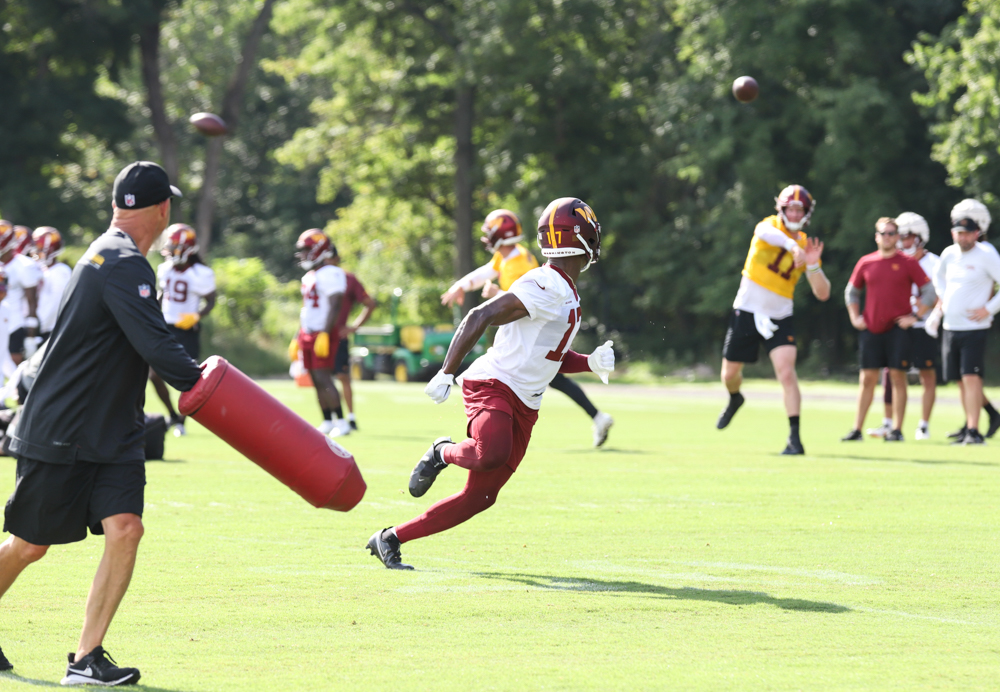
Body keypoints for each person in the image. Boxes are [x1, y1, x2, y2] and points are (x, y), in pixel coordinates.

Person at [0, 161, 202, 684]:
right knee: (29, 545)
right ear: (163, 209)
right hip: (62, 426)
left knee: (126, 529)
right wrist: (207, 383)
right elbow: (157, 345)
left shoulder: (114, 254)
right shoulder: (120, 262)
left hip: (113, 430)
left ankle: (86, 658)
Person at [367, 197, 615, 570]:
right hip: (494, 384)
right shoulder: (546, 283)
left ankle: (389, 538)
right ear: (580, 237)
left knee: (480, 497)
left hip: (526, 401)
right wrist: (447, 371)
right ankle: (441, 452)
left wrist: (590, 363)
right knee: (490, 453)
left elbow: (549, 356)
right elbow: (480, 314)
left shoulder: (565, 289)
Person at [441, 209, 615, 447]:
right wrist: (460, 286)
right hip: (527, 329)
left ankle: (597, 416)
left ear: (500, 232)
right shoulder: (508, 256)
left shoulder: (518, 260)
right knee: (554, 374)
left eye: (489, 231)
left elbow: (527, 304)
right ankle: (597, 417)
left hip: (534, 329)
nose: (485, 237)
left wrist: (497, 294)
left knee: (547, 371)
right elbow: (489, 274)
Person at [716, 185, 831, 455]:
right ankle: (735, 398)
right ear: (780, 208)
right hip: (746, 310)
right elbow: (765, 233)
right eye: (789, 208)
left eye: (798, 209)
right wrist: (793, 245)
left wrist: (813, 265)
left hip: (780, 315)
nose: (793, 213)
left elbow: (823, 293)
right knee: (729, 374)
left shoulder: (806, 245)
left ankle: (794, 438)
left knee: (787, 372)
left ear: (806, 213)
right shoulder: (769, 227)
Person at [843, 217, 936, 442]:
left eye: (892, 233)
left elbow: (930, 291)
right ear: (877, 236)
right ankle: (856, 429)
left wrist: (915, 316)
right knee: (867, 379)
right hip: (872, 327)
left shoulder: (907, 262)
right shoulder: (866, 262)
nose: (888, 237)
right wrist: (855, 317)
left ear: (897, 237)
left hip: (897, 329)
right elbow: (851, 292)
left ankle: (897, 429)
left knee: (897, 377)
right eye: (883, 233)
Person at [865, 213, 942, 440]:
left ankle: (923, 425)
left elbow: (938, 295)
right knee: (891, 374)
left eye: (908, 238)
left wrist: (920, 313)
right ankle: (889, 423)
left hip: (922, 325)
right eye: (902, 238)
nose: (903, 243)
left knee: (927, 374)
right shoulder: (894, 260)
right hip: (898, 326)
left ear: (920, 237)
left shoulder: (933, 262)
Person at [931, 199, 1000, 441]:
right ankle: (975, 421)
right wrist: (942, 299)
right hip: (951, 326)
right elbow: (938, 279)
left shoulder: (986, 254)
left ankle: (974, 430)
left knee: (971, 378)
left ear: (976, 233)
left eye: (967, 233)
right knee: (960, 381)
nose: (963, 238)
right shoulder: (949, 254)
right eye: (959, 233)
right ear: (953, 233)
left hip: (974, 327)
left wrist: (989, 309)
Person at [149, 223, 216, 437]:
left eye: (175, 246)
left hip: (187, 330)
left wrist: (197, 315)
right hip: (165, 327)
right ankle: (172, 415)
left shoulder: (201, 273)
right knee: (153, 375)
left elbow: (211, 301)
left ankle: (181, 422)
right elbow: (162, 294)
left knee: (188, 380)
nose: (171, 250)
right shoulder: (165, 268)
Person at [292, 229, 349, 437]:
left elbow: (336, 305)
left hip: (323, 333)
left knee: (324, 377)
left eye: (307, 249)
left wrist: (324, 333)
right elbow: (307, 309)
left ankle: (341, 421)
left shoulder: (332, 272)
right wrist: (297, 335)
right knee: (314, 378)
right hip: (308, 332)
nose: (303, 254)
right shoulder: (310, 276)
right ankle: (327, 419)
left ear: (319, 249)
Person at [329, 248, 376, 430]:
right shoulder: (314, 278)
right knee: (323, 378)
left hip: (338, 337)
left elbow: (369, 303)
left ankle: (350, 417)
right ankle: (332, 418)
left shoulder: (348, 279)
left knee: (342, 377)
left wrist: (353, 327)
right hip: (320, 338)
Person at [0, 221, 42, 365]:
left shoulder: (24, 265)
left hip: (14, 323)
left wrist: (31, 336)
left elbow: (32, 301)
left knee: (14, 372)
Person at [30, 226, 73, 344]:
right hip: (40, 327)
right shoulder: (41, 269)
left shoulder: (60, 271)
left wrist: (39, 326)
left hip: (50, 329)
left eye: (37, 246)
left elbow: (55, 304)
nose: (34, 250)